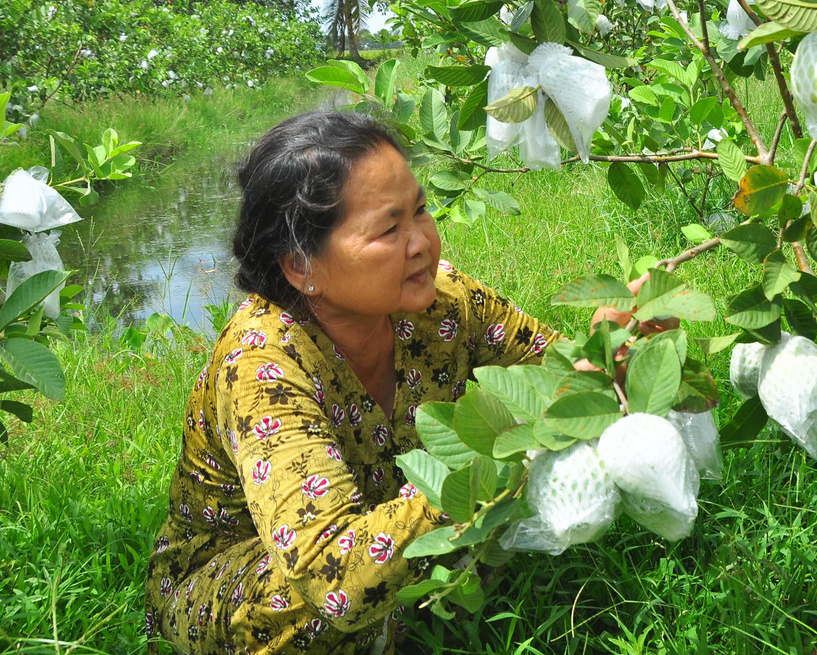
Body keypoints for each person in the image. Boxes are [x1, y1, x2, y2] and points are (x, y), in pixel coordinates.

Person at [144, 111, 561, 654]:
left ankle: (417, 622)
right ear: (301, 266)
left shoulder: (441, 298)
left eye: (421, 211)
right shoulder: (262, 363)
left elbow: (552, 369)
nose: (422, 244)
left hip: (378, 523)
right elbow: (333, 577)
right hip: (242, 572)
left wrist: (608, 353)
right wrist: (488, 469)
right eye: (389, 229)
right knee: (308, 611)